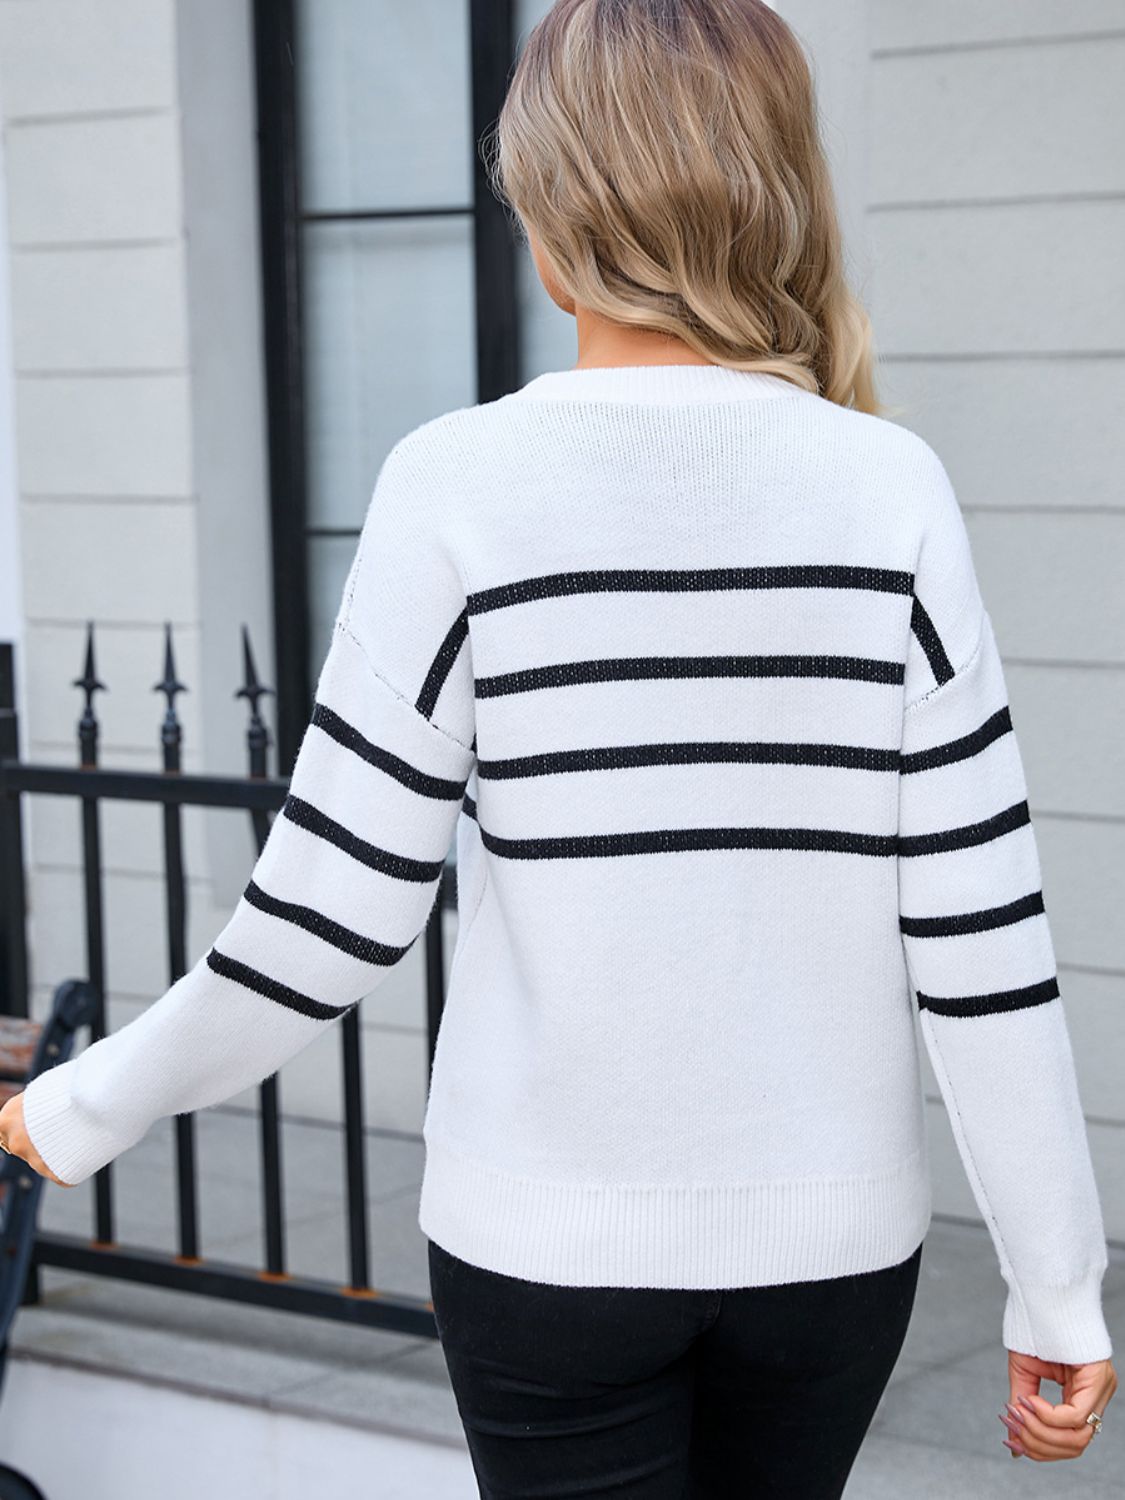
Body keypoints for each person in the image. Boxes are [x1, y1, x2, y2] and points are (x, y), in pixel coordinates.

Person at [1, 0, 1116, 1493]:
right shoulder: (889, 492)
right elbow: (981, 943)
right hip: (831, 1262)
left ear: (550, 208)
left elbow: (321, 931)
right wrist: (1056, 1286)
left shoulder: (456, 486)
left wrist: (74, 1106)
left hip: (544, 1261)